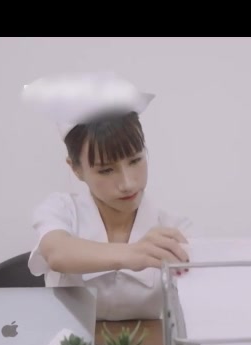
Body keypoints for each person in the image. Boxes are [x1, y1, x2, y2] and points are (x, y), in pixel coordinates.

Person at [21, 72, 193, 321]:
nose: (127, 183)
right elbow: (57, 253)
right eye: (106, 170)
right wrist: (132, 254)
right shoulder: (61, 209)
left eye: (135, 160)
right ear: (76, 169)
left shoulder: (174, 229)